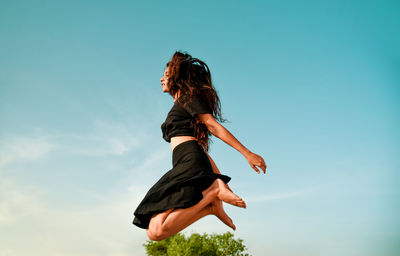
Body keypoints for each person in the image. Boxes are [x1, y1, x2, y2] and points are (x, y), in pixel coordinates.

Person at [132, 51, 267, 241]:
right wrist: (219, 190)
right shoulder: (181, 104)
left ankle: (212, 192)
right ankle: (210, 207)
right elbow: (201, 154)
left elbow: (213, 126)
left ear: (177, 77)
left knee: (157, 231)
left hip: (189, 163)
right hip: (187, 163)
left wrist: (247, 153)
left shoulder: (187, 98)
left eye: (166, 75)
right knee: (154, 230)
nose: (161, 78)